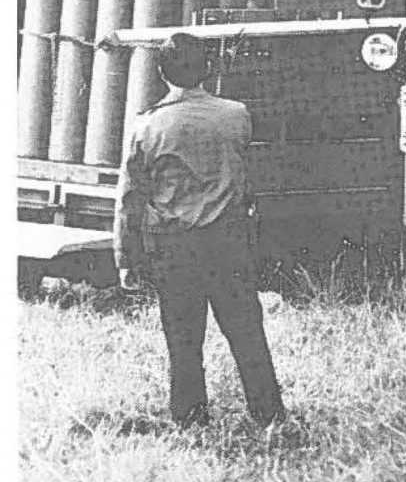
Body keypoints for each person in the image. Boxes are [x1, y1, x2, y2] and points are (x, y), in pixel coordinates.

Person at [113, 32, 284, 426]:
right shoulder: (236, 115)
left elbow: (130, 199)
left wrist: (127, 258)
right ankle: (269, 414)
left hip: (173, 249)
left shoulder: (147, 127)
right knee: (246, 333)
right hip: (229, 243)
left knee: (183, 338)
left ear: (161, 73)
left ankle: (190, 418)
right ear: (207, 68)